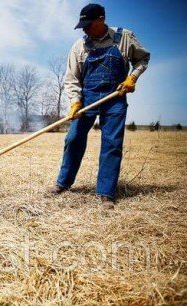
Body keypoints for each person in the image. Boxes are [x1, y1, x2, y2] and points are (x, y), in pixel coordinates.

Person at [50, 3, 150, 208]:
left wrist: (132, 78)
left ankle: (106, 193)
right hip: (87, 98)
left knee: (112, 144)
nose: (85, 29)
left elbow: (143, 59)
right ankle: (63, 183)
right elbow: (71, 78)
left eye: (88, 24)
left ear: (101, 20)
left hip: (115, 98)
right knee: (73, 138)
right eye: (82, 25)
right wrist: (75, 101)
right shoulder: (79, 46)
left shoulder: (124, 37)